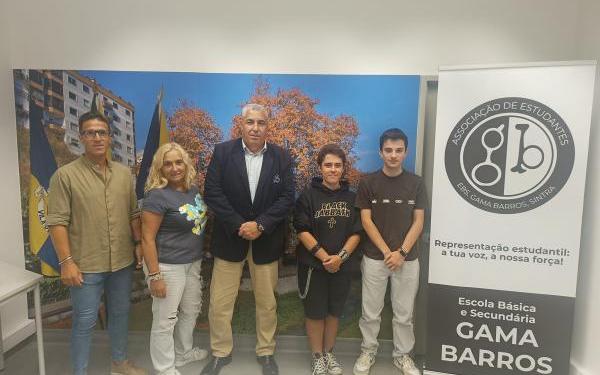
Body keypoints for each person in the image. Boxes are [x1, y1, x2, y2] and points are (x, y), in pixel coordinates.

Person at [47, 111, 147, 375]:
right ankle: (79, 371)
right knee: (85, 321)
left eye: (102, 132)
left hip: (122, 263)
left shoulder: (125, 174)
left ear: (109, 137)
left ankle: (119, 364)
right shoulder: (65, 176)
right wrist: (66, 262)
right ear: (81, 137)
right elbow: (56, 222)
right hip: (85, 265)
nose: (97, 137)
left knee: (120, 315)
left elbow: (133, 213)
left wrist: (138, 243)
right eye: (90, 132)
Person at [201, 104, 295, 375]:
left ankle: (266, 352)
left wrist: (261, 225)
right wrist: (239, 224)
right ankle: (220, 353)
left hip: (266, 240)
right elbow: (212, 192)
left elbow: (288, 197)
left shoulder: (282, 157)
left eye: (261, 123)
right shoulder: (222, 152)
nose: (255, 128)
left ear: (268, 126)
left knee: (267, 302)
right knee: (220, 303)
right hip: (230, 238)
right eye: (250, 122)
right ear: (241, 124)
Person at [352, 128, 426, 375]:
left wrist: (401, 253)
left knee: (404, 313)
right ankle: (368, 350)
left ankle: (402, 356)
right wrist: (387, 252)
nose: (393, 155)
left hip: (408, 259)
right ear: (380, 152)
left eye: (399, 150)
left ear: (406, 152)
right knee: (370, 311)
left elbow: (419, 222)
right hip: (375, 258)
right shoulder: (367, 182)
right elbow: (366, 221)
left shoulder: (416, 183)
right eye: (388, 150)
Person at [141, 142, 209, 375]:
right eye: (167, 164)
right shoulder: (156, 196)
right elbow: (147, 239)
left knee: (191, 310)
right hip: (167, 266)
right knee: (165, 319)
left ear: (186, 164)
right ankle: (164, 368)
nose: (174, 168)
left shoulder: (192, 190)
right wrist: (155, 275)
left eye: (178, 162)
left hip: (192, 262)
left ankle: (182, 353)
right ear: (159, 169)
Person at [294, 144, 361, 375]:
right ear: (320, 167)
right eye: (328, 165)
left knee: (334, 312)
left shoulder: (353, 198)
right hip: (314, 266)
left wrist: (340, 258)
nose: (333, 169)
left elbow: (357, 232)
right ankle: (317, 357)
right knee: (315, 313)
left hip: (342, 267)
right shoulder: (307, 196)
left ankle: (329, 353)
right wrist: (325, 258)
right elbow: (301, 230)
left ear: (344, 168)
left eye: (337, 165)